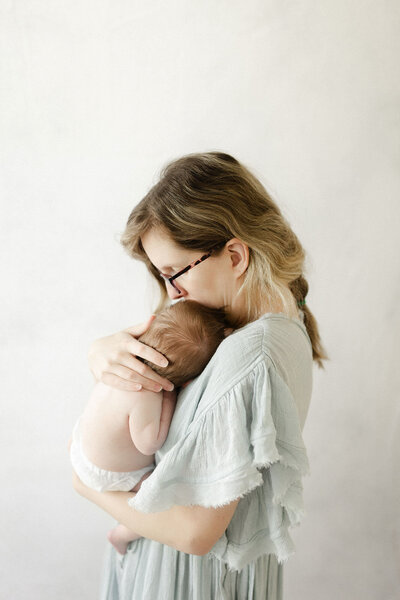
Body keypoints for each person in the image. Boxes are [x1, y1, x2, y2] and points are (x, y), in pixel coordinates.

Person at [71, 151, 328, 600]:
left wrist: (85, 485)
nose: (173, 294)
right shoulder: (280, 324)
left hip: (191, 581)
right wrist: (100, 351)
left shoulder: (250, 356)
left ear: (234, 255)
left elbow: (194, 533)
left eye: (175, 273)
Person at [70, 300, 230, 556]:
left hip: (82, 445)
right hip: (108, 473)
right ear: (185, 380)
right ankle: (121, 534)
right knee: (158, 499)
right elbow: (149, 443)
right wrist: (169, 400)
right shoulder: (148, 394)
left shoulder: (124, 366)